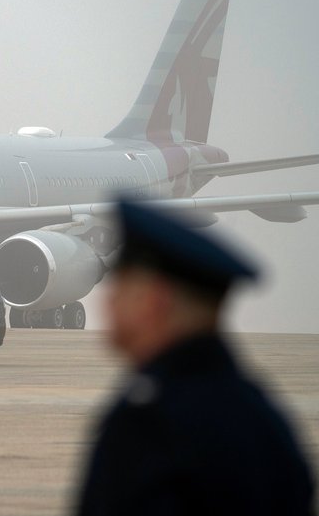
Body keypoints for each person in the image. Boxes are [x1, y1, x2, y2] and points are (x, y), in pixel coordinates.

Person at [75, 200, 316, 516]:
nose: (108, 301)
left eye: (119, 287)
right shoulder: (265, 420)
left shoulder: (148, 423)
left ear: (153, 301)